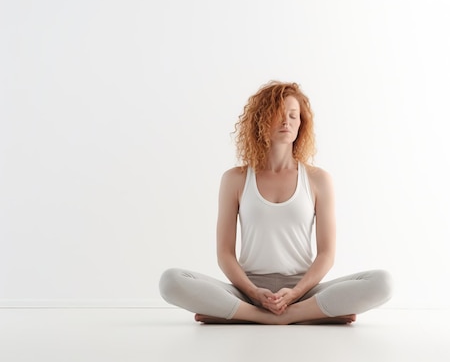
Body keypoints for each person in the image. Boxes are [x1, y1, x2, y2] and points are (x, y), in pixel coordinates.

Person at [159, 81, 392, 325]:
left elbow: (326, 254)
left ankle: (263, 316)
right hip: (247, 290)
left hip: (303, 291)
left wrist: (294, 294)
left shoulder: (318, 180)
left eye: (293, 116)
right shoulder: (235, 179)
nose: (286, 122)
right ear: (261, 120)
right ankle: (292, 316)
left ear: (301, 123)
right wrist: (253, 293)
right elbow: (225, 254)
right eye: (278, 115)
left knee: (382, 282)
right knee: (171, 280)